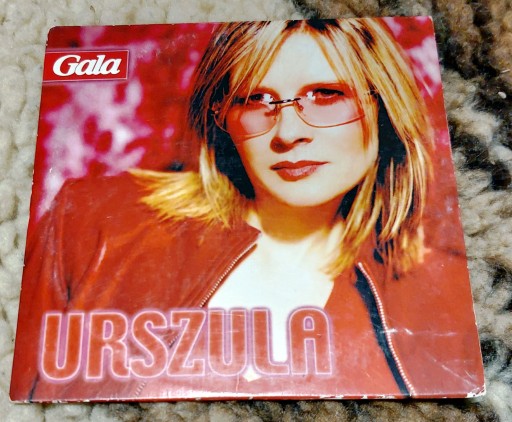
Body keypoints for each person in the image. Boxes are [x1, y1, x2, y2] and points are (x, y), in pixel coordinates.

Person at [11, 19, 484, 402]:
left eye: (326, 95)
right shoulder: (93, 222)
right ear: (224, 118)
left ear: (384, 108)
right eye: (256, 100)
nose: (289, 133)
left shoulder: (445, 295)